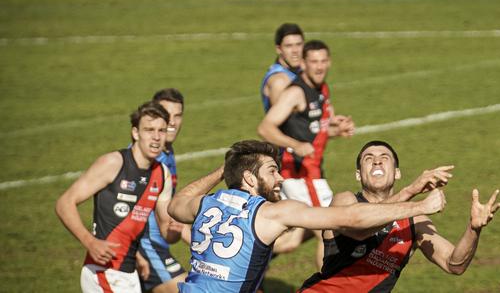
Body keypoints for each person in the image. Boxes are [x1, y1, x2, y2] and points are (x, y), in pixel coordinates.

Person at [167, 139, 447, 293]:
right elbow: (350, 219)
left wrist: (224, 170)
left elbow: (176, 204)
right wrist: (418, 204)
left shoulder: (205, 204)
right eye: (272, 171)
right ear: (250, 179)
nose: (281, 178)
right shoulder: (273, 213)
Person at [299, 140, 500, 292]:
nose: (377, 161)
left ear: (396, 173)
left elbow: (454, 264)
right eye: (368, 159)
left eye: (384, 158)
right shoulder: (345, 201)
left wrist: (474, 229)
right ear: (358, 175)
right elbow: (359, 227)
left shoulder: (414, 222)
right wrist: (413, 196)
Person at [56, 101, 182, 293]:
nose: (156, 137)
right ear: (135, 133)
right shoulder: (113, 163)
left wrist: (175, 230)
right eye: (149, 130)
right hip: (103, 272)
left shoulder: (161, 173)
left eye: (161, 130)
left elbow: (166, 230)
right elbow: (65, 203)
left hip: (128, 273)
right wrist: (90, 242)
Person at [257, 39, 355, 268]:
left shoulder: (321, 89)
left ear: (329, 62)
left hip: (313, 171)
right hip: (299, 174)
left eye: (323, 61)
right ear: (303, 63)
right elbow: (265, 127)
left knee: (292, 238)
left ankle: (246, 257)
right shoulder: (295, 92)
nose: (319, 67)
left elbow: (313, 128)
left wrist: (336, 129)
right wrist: (295, 145)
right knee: (329, 227)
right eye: (313, 62)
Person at [135, 89, 188, 293]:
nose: (173, 122)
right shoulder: (148, 159)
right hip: (146, 246)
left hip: (158, 244)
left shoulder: (167, 151)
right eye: (167, 115)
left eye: (178, 115)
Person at [260, 23, 305, 113]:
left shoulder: (303, 71)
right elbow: (288, 123)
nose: (295, 51)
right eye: (289, 46)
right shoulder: (279, 81)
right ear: (279, 49)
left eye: (299, 44)